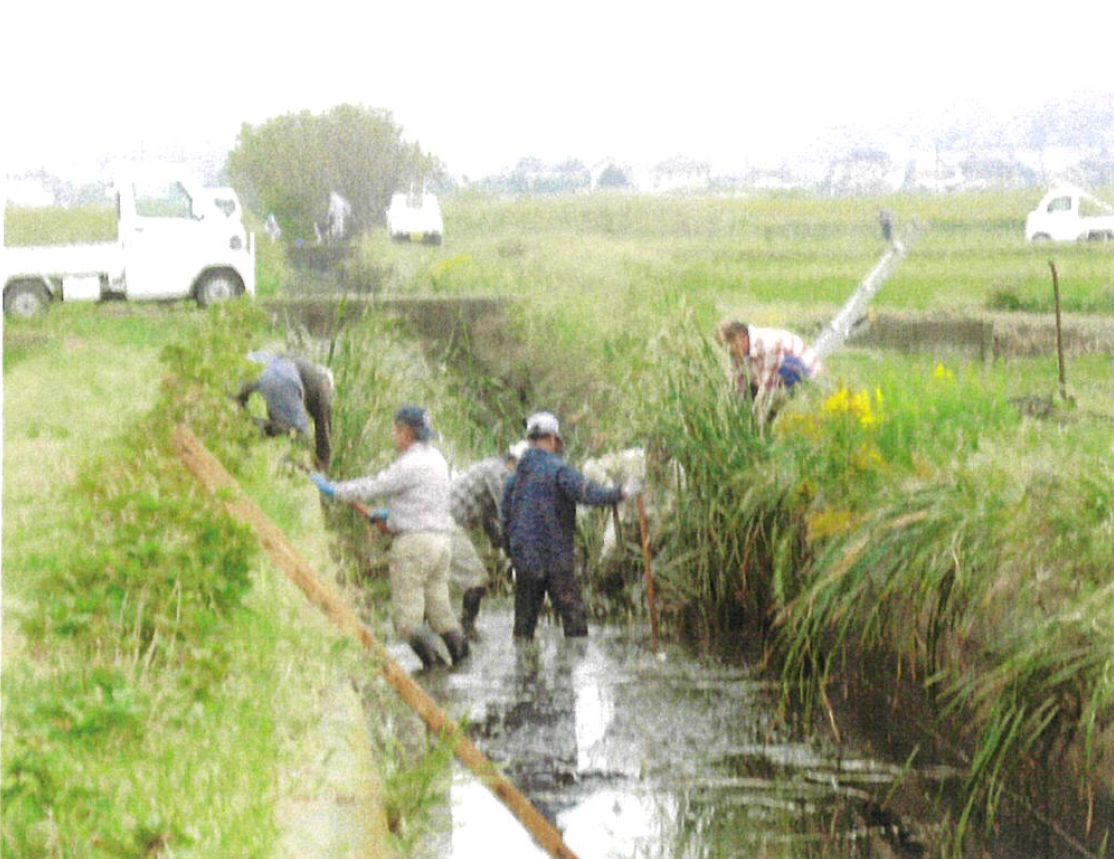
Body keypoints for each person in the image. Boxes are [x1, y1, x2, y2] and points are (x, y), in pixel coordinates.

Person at [309, 405, 467, 669]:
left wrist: (331, 490)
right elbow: (424, 500)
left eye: (395, 430)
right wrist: (391, 516)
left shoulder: (409, 464)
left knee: (407, 624)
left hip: (415, 545)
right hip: (441, 543)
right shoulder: (437, 459)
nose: (393, 435)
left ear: (405, 432)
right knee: (441, 615)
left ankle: (436, 675)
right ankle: (462, 665)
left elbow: (372, 487)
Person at [502, 411, 640, 640]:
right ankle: (569, 673)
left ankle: (525, 675)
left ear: (530, 440)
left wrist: (513, 553)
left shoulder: (514, 477)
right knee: (575, 627)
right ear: (554, 440)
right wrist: (622, 492)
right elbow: (588, 493)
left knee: (523, 630)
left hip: (525, 561)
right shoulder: (559, 470)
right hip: (556, 560)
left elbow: (505, 520)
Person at [449, 440, 529, 639]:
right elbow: (507, 513)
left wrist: (501, 544)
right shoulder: (500, 474)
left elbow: (489, 519)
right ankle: (467, 629)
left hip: (442, 524)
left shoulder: (491, 467)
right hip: (446, 526)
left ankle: (453, 629)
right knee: (477, 579)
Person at [236, 351, 333, 469]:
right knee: (297, 431)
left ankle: (235, 427)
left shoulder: (301, 364)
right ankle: (253, 426)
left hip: (254, 361)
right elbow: (324, 432)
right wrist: (322, 464)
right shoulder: (321, 385)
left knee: (234, 407)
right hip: (281, 375)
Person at [717, 320, 821, 406]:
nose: (728, 352)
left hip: (803, 372)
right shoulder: (737, 354)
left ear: (740, 337)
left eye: (729, 347)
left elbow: (768, 385)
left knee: (788, 368)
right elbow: (738, 385)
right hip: (770, 379)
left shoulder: (769, 343)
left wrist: (759, 411)